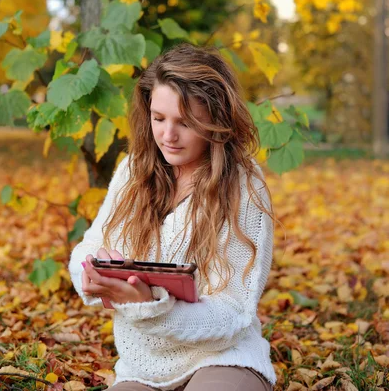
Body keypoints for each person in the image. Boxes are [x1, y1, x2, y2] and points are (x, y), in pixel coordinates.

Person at [69, 43, 277, 391]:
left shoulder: (243, 183)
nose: (168, 136)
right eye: (159, 118)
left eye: (185, 122)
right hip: (141, 369)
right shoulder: (133, 170)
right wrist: (89, 273)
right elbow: (88, 246)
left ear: (216, 119)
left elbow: (235, 312)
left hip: (221, 357)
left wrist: (150, 306)